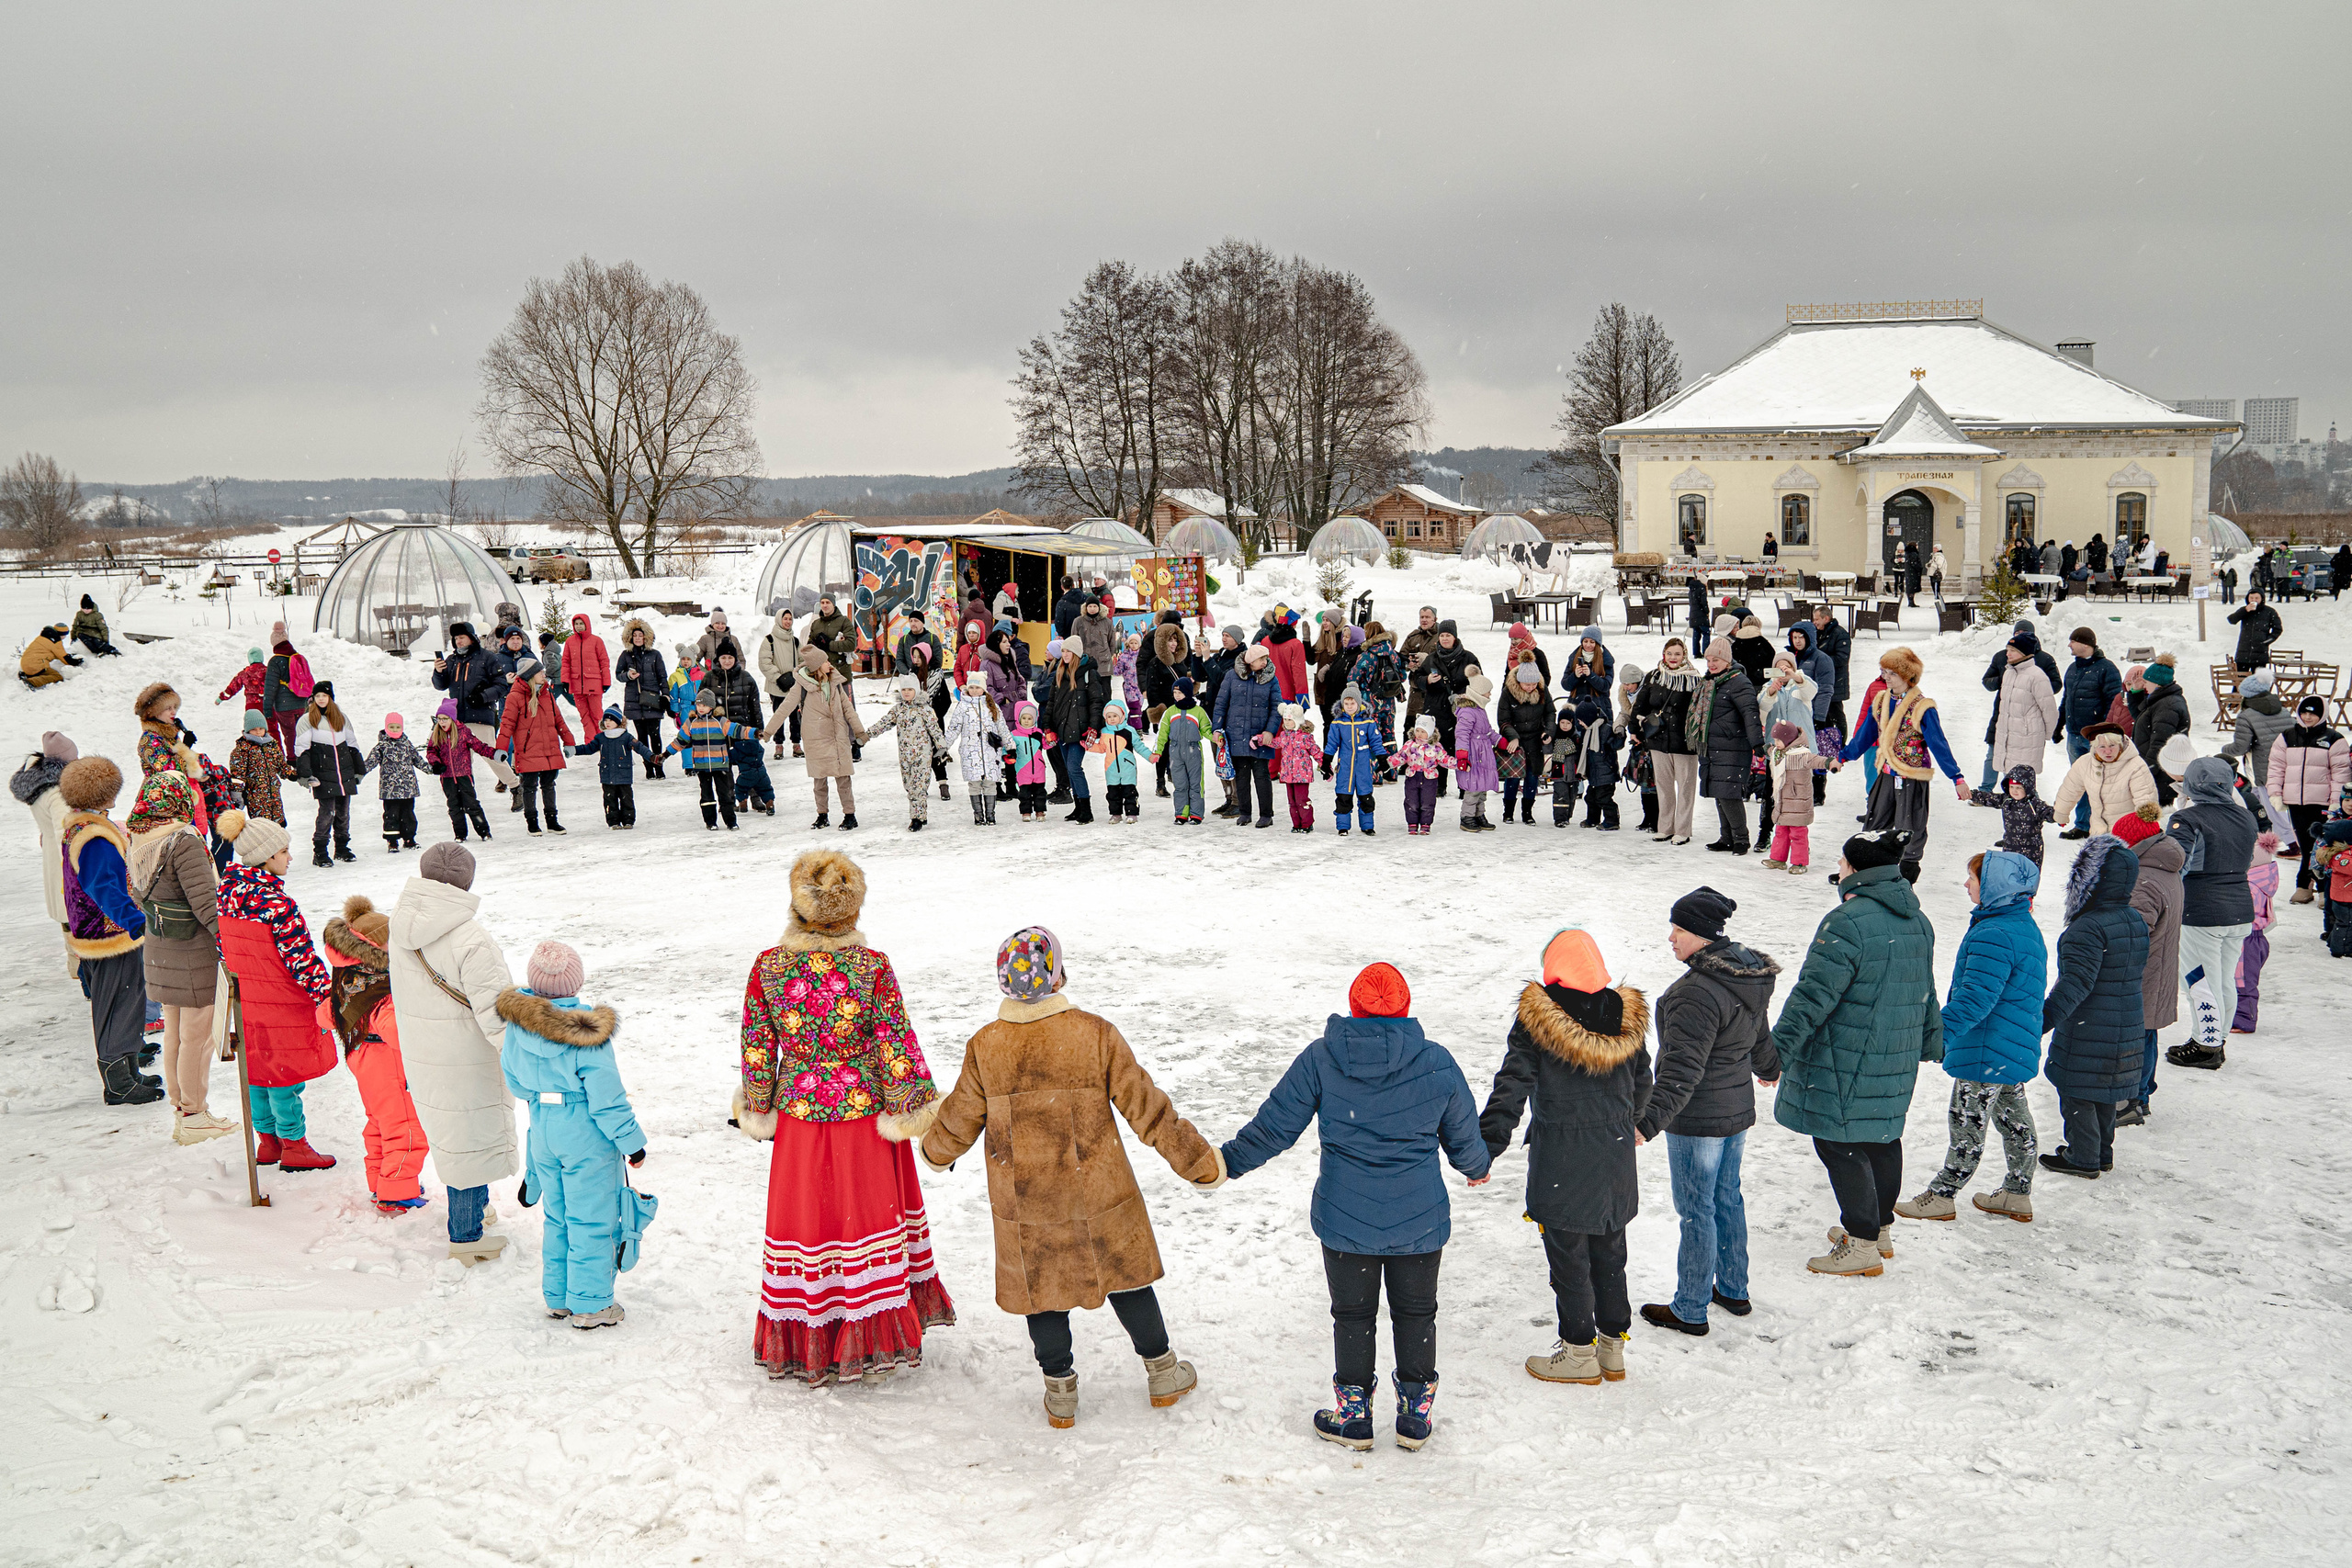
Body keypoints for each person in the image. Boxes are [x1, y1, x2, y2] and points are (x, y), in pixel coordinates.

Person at [1221, 962, 1489, 1449]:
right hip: (1418, 1219)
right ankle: (1414, 1418)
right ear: (1405, 1009)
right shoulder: (1436, 1062)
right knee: (1416, 1312)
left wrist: (1226, 1164)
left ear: (1354, 1007)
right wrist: (1475, 1167)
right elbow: (1463, 1135)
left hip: (1346, 1218)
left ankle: (1353, 1417)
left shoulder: (1322, 1059)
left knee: (1352, 1315)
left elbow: (1276, 1127)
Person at [735, 852, 953, 1382]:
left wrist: (758, 1105)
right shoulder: (871, 966)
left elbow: (757, 1044)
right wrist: (912, 1106)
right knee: (864, 1217)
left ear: (798, 904)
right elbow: (895, 1040)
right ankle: (869, 1327)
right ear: (852, 908)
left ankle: (812, 1325)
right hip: (863, 1119)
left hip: (800, 1119)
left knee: (809, 1219)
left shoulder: (769, 966)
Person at [1480, 929, 1653, 1387]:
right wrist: (1625, 1123)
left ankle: (1578, 1352)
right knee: (1611, 1252)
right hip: (1615, 1157)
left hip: (1562, 1157)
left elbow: (1512, 1085)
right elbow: (1643, 1082)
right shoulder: (1626, 1015)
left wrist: (1485, 1147)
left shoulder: (1538, 1019)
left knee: (1569, 1257)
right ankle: (1612, 1349)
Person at [1768, 830, 1941, 1276]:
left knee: (1838, 1138)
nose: (1839, 868)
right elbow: (1925, 988)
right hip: (1894, 1051)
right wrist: (1928, 1039)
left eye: (1842, 862)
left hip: (1845, 1052)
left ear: (1855, 869)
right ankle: (1878, 1230)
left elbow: (1812, 996)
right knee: (1880, 1135)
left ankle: (1861, 1243)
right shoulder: (1918, 919)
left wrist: (1775, 1052)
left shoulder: (1848, 920)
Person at [1637, 890, 1780, 1336]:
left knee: (1697, 1209)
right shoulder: (1744, 975)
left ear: (1701, 935)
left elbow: (1682, 1068)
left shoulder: (1695, 994)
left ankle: (1690, 1308)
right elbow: (1758, 1031)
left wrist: (1648, 1121)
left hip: (1698, 1118)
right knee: (1726, 1198)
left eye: (1678, 929)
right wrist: (1769, 1067)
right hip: (1735, 1109)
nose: (1671, 938)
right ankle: (1733, 1289)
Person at [498, 941, 647, 1329]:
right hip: (584, 1132)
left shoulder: (518, 1027)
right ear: (575, 983)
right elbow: (607, 1098)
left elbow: (515, 1080)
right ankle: (591, 1304)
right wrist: (632, 1142)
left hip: (543, 1128)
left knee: (558, 1216)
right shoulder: (587, 1033)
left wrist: (541, 1096)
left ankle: (559, 1297)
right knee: (591, 1219)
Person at [388, 842, 520, 1265]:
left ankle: (478, 1209)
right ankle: (465, 1237)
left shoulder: (399, 926)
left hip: (424, 1053)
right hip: (466, 1057)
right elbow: (497, 1012)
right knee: (468, 1142)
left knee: (456, 1137)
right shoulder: (470, 937)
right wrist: (523, 1060)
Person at [1894, 852, 2043, 1224]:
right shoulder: (2019, 923)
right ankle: (2016, 1193)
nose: (1966, 884)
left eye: (1973, 879)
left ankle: (1942, 1196)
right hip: (2009, 1045)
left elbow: (1975, 999)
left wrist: (1937, 1037)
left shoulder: (1995, 934)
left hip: (1986, 1048)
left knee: (1967, 1124)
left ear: (1995, 887)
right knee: (2015, 1120)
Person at [214, 809, 339, 1170]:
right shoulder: (277, 904)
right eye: (284, 852)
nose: (290, 858)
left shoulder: (225, 893)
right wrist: (327, 995)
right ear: (266, 857)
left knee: (258, 1070)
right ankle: (295, 1145)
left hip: (249, 1001)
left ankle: (268, 1142)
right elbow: (302, 960)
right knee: (285, 1075)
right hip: (282, 1001)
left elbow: (223, 948)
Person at [126, 771, 229, 1142]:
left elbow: (137, 894)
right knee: (197, 1038)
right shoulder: (183, 839)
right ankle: (195, 1114)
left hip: (160, 948)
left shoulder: (139, 836)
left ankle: (182, 1110)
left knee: (175, 1035)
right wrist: (230, 944)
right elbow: (206, 904)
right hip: (192, 952)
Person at [2038, 836, 2149, 1180]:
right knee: (2103, 1091)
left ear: (2087, 882)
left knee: (2078, 1091)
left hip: (2090, 1026)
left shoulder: (2087, 928)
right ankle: (2101, 1152)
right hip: (2125, 1021)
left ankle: (2083, 1157)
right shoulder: (2133, 919)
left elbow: (2075, 985)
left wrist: (2041, 1021)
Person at [56, 756, 162, 1103]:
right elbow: (104, 888)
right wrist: (134, 920)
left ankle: (127, 1071)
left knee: (125, 1000)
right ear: (102, 794)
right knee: (119, 1002)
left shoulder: (81, 827)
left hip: (98, 932)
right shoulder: (95, 837)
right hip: (109, 934)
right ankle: (118, 1083)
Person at [322, 896, 430, 1213]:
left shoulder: (349, 978)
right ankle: (396, 1191)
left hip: (362, 1059)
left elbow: (325, 1015)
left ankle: (380, 1181)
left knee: (379, 1123)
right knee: (405, 1128)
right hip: (387, 1063)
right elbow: (397, 1032)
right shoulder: (382, 987)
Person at [1833, 648, 1967, 879]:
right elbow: (1865, 735)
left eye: (1892, 673)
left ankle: (1906, 875)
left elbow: (1939, 744)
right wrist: (1843, 756)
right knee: (1875, 823)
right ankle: (1861, 871)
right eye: (1884, 671)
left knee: (1910, 828)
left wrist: (1957, 777)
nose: (1886, 677)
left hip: (1912, 776)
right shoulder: (1881, 700)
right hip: (1886, 773)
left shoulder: (1923, 707)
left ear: (1907, 677)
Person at [2165, 758, 2259, 1072]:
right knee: (2223, 980)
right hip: (2240, 908)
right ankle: (2216, 1038)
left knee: (2200, 981)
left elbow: (2176, 862)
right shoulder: (2245, 816)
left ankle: (2206, 1046)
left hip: (2202, 910)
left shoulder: (2187, 818)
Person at [2111, 811, 2182, 1125]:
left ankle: (2131, 1101)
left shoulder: (2142, 879)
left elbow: (2132, 933)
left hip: (2141, 972)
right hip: (2159, 967)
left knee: (2134, 1037)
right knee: (2146, 1033)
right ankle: (2141, 1096)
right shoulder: (2165, 867)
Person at [766, 643, 871, 830]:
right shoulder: (801, 685)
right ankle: (822, 815)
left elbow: (848, 708)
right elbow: (784, 708)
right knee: (819, 780)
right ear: (816, 666)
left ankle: (850, 815)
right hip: (815, 737)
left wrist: (860, 732)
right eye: (825, 662)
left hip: (837, 736)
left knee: (843, 779)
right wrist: (768, 732)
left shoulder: (835, 682)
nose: (829, 664)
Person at [2267, 695, 2348, 903]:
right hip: (2296, 802)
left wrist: (2336, 801)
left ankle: (2322, 889)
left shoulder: (2334, 739)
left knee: (2322, 845)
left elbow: (2340, 773)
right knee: (2305, 846)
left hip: (2323, 803)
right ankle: (2305, 885)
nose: (2307, 717)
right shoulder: (2287, 736)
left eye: (2312, 713)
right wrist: (2275, 792)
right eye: (2304, 712)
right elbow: (2276, 767)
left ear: (2322, 714)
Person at [435, 621, 523, 798]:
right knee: (460, 759)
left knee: (491, 756)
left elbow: (501, 685)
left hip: (480, 716)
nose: (459, 642)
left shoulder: (487, 658)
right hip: (458, 719)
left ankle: (515, 787)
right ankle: (466, 795)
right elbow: (440, 685)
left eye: (462, 637)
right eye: (456, 639)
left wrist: (482, 697)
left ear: (471, 638)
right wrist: (438, 672)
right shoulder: (452, 660)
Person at [1634, 639, 1705, 845]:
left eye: (1677, 654)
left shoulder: (1694, 679)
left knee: (1685, 789)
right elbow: (1640, 705)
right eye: (1669, 653)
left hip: (1684, 743)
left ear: (1684, 655)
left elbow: (1700, 711)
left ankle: (1682, 830)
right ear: (1663, 654)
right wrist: (1634, 729)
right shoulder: (1654, 676)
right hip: (1658, 740)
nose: (1673, 658)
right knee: (1664, 788)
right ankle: (1665, 828)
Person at [494, 660, 576, 836]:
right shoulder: (515, 696)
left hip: (549, 748)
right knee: (529, 786)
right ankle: (532, 822)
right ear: (530, 675)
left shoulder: (547, 694)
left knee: (549, 785)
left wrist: (569, 741)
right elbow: (507, 724)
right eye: (540, 672)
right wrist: (501, 748)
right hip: (528, 749)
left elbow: (559, 720)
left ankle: (552, 821)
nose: (544, 674)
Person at [1696, 638, 1762, 856]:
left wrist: (1757, 743)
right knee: (1719, 792)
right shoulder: (1711, 681)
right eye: (1708, 660)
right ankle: (1726, 838)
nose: (1711, 664)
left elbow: (1750, 713)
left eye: (1716, 660)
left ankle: (1741, 839)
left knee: (1728, 794)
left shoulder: (1739, 682)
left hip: (1732, 746)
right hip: (1713, 745)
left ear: (1727, 660)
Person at [1977, 623, 2061, 792]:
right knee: (1999, 758)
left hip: (2026, 730)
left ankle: (2029, 802)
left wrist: (2044, 733)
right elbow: (1988, 681)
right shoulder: (2007, 668)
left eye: (2012, 650)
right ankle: (1988, 790)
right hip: (2004, 721)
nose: (2007, 654)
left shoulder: (2040, 669)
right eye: (2017, 632)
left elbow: (2050, 709)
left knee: (2022, 774)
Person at [2057, 630, 2124, 838]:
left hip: (2096, 738)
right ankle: (2083, 825)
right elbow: (2066, 699)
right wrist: (2059, 725)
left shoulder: (2106, 669)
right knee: (2082, 782)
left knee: (2101, 782)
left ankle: (2108, 825)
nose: (2069, 645)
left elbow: (2113, 704)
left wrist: (2103, 733)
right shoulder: (2073, 668)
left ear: (2085, 644)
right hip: (2074, 735)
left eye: (2073, 641)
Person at [292, 681, 364, 866]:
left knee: (343, 813)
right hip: (323, 775)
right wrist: (305, 774)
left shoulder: (341, 717)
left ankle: (341, 847)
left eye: (324, 696)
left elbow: (352, 744)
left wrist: (359, 769)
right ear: (313, 698)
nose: (321, 699)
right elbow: (302, 749)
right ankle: (320, 852)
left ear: (330, 697)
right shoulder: (307, 719)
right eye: (317, 696)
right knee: (327, 813)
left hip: (344, 773)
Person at [872, 673, 951, 831]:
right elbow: (883, 723)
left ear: (916, 690)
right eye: (904, 690)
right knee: (909, 785)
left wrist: (942, 747)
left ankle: (916, 819)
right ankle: (921, 814)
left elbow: (935, 730)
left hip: (922, 755)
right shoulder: (898, 710)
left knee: (918, 787)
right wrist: (865, 736)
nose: (906, 692)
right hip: (905, 755)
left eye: (910, 689)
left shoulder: (925, 710)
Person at [1214, 643, 1281, 829]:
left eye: (1266, 658)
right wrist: (1217, 729)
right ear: (1251, 661)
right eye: (1261, 659)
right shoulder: (1231, 676)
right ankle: (1245, 813)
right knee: (1241, 777)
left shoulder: (1271, 678)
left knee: (1262, 776)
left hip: (1260, 737)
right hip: (1236, 734)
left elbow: (1277, 707)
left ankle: (1266, 814)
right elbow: (1221, 704)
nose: (1265, 662)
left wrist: (1270, 731)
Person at [2232, 832, 2281, 1035]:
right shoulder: (2261, 881)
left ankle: (2245, 1021)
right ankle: (2237, 1016)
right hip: (2254, 938)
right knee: (2241, 980)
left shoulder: (2251, 887)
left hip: (2248, 939)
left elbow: (2241, 912)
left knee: (2243, 982)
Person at [944, 673, 1009, 827]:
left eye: (977, 687)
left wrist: (1010, 746)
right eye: (971, 687)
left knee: (990, 783)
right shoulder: (962, 707)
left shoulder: (992, 706)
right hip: (970, 752)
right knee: (974, 783)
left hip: (990, 752)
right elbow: (953, 728)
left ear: (983, 689)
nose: (974, 690)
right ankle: (978, 814)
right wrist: (943, 746)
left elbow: (1002, 728)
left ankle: (990, 814)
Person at [424, 703, 495, 841]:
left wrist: (494, 753)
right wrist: (436, 763)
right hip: (447, 777)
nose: (442, 722)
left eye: (445, 719)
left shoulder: (463, 732)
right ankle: (460, 834)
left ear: (452, 719)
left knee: (471, 804)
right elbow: (431, 751)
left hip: (464, 775)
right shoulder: (436, 734)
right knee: (454, 806)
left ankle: (484, 832)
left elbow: (479, 746)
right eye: (439, 719)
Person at [574, 706, 654, 829]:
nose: (607, 723)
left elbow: (640, 747)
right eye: (605, 720)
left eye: (611, 720)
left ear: (618, 722)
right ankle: (613, 821)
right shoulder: (601, 738)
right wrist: (574, 750)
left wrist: (652, 757)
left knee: (626, 798)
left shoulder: (626, 737)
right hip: (607, 775)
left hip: (624, 774)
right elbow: (588, 748)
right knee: (609, 799)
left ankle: (628, 820)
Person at [1968, 764, 2057, 868]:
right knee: (2009, 872)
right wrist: (1971, 795)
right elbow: (1988, 798)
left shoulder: (2035, 805)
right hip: (2010, 846)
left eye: (2019, 787)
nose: (2014, 791)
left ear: (2028, 787)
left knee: (2029, 874)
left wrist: (2059, 815)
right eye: (2011, 787)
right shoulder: (2006, 800)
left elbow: (2049, 814)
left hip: (2031, 850)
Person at [1152, 677, 1212, 827]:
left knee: (1196, 783)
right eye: (1175, 692)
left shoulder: (1198, 712)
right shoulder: (1170, 712)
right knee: (1180, 784)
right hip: (1175, 752)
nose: (1177, 695)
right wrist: (1157, 751)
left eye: (1180, 692)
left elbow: (1207, 729)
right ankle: (1181, 814)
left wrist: (1217, 738)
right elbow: (1162, 734)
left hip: (1193, 751)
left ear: (1188, 692)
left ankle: (1196, 814)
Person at [1497, 664, 1552, 826]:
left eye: (1534, 684)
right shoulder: (1508, 692)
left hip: (1535, 740)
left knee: (1532, 776)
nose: (1531, 687)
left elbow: (1550, 712)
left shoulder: (1542, 690)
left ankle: (1527, 813)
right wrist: (1512, 737)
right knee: (1513, 777)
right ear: (1519, 681)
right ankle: (1508, 812)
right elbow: (1503, 719)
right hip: (1515, 740)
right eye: (1527, 684)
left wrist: (1548, 731)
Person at [616, 619, 673, 775]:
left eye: (640, 635)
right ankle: (648, 767)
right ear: (630, 637)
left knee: (655, 735)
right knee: (642, 737)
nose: (638, 638)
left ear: (646, 637)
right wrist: (628, 675)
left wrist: (665, 696)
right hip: (634, 701)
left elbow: (662, 677)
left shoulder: (655, 655)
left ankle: (658, 766)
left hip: (652, 700)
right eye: (635, 635)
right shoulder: (626, 655)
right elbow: (618, 675)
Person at [2132, 657, 2190, 807]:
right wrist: (2136, 692)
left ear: (2157, 683)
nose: (2145, 684)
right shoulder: (2160, 700)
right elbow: (2140, 717)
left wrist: (2146, 772)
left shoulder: (2167, 706)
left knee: (2157, 815)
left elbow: (2160, 744)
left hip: (2160, 777)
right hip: (2158, 774)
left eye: (2147, 681)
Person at [364, 714, 424, 853]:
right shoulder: (382, 746)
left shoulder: (407, 744)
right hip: (390, 790)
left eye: (398, 727)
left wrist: (432, 769)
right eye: (392, 727)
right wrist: (360, 772)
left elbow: (417, 760)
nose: (395, 730)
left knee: (408, 815)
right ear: (386, 727)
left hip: (408, 788)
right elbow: (371, 761)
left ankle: (409, 839)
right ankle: (392, 841)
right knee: (391, 815)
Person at [1762, 721, 1816, 874]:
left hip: (1798, 803)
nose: (1776, 743)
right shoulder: (1778, 753)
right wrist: (1766, 748)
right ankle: (1778, 859)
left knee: (1798, 834)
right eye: (1775, 740)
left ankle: (1799, 863)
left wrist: (1829, 763)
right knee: (1781, 831)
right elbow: (1771, 751)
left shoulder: (1802, 755)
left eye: (1779, 740)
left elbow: (1816, 760)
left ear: (1788, 740)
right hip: (1783, 802)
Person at [1451, 671, 1500, 832]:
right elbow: (1462, 734)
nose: (1490, 694)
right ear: (1479, 692)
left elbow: (1487, 731)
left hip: (1483, 754)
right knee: (1473, 788)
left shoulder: (1480, 709)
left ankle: (1479, 815)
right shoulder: (1467, 711)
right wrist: (1462, 756)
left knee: (1482, 787)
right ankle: (1467, 817)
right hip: (1473, 754)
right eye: (1488, 691)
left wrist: (1499, 741)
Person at [1396, 714, 1453, 836]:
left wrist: (1458, 764)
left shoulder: (1436, 747)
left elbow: (1444, 759)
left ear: (1430, 732)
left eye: (1423, 731)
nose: (1419, 734)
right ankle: (1412, 823)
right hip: (1412, 777)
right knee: (1411, 802)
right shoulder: (1410, 745)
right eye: (1417, 730)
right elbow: (1400, 757)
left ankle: (1425, 824)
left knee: (1428, 802)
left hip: (1429, 779)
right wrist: (1387, 763)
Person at [755, 610, 801, 761]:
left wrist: (797, 676)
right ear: (779, 620)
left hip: (794, 686)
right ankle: (779, 745)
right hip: (777, 686)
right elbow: (764, 662)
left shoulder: (795, 641)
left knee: (796, 717)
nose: (788, 622)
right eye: (785, 619)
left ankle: (796, 743)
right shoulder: (769, 640)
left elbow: (802, 660)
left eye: (790, 619)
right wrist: (779, 678)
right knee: (778, 716)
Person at [261, 626, 311, 758]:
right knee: (303, 732)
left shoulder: (275, 661)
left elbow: (270, 687)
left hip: (284, 707)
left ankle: (293, 759)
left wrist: (267, 709)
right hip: (302, 703)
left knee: (290, 733)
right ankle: (305, 756)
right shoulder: (299, 658)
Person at [558, 614, 610, 734]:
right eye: (576, 624)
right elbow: (565, 662)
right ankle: (590, 741)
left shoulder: (596, 641)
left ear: (587, 624)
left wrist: (606, 682)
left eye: (581, 623)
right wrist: (565, 680)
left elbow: (604, 662)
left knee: (597, 716)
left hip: (594, 685)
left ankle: (602, 740)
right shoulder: (570, 641)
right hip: (577, 686)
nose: (579, 626)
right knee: (585, 717)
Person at [1807, 604, 1853, 738]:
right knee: (1823, 715)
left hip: (1835, 681)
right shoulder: (1818, 633)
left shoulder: (1840, 634)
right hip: (1821, 681)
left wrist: (1821, 661)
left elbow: (1842, 658)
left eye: (1817, 619)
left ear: (1826, 618)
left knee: (1836, 715)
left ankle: (1841, 743)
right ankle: (1826, 742)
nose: (1814, 622)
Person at [2226, 589, 2281, 672]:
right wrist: (2245, 610)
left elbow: (2278, 629)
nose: (2254, 600)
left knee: (2258, 679)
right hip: (2243, 653)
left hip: (2260, 654)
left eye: (2256, 598)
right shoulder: (2244, 610)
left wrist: (2266, 641)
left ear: (2262, 598)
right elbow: (2231, 620)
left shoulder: (2269, 612)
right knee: (2240, 679)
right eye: (2251, 598)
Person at [70, 593, 121, 657]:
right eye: (84, 609)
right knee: (88, 643)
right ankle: (98, 652)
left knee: (97, 642)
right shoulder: (79, 614)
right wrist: (73, 637)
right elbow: (75, 625)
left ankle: (112, 650)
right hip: (83, 632)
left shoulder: (97, 615)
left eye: (88, 609)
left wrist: (105, 640)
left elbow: (103, 628)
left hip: (95, 633)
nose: (86, 611)